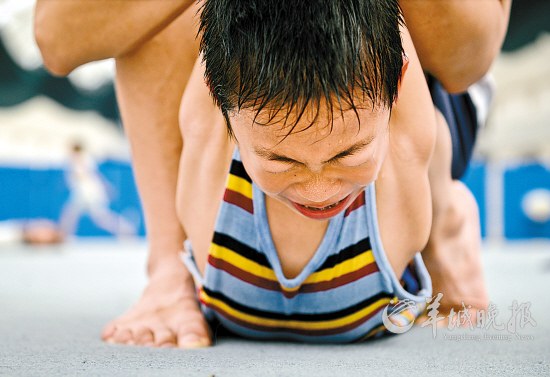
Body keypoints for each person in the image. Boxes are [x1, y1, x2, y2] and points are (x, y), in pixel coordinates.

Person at [34, 0, 511, 347]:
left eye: (347, 155)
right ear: (221, 106)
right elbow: (58, 36)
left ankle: (445, 220)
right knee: (163, 15)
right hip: (278, 109)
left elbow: (440, 62)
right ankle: (167, 271)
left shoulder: (395, 135)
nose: (319, 192)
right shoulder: (215, 127)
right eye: (286, 164)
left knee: (407, 120)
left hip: (415, 75)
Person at [59, 141, 135, 238]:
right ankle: (65, 235)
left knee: (97, 217)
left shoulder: (81, 160)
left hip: (88, 193)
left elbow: (90, 175)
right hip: (83, 193)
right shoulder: (77, 160)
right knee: (72, 214)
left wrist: (107, 188)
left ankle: (125, 229)